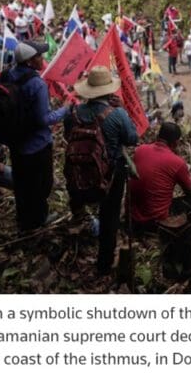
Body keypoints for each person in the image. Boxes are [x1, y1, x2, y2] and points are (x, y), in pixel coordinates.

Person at [63, 66, 139, 276]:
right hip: (111, 174)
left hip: (77, 171)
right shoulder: (117, 114)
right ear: (109, 91)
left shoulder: (74, 113)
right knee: (109, 216)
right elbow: (132, 139)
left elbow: (67, 136)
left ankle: (77, 244)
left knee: (80, 204)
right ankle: (104, 264)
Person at [4, 42, 69, 233]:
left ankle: (24, 221)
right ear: (30, 61)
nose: (43, 59)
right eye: (39, 56)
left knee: (22, 185)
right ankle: (39, 220)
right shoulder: (37, 84)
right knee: (41, 185)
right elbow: (44, 119)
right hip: (37, 145)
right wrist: (65, 109)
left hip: (16, 142)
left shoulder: (8, 75)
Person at [128, 121, 191, 230]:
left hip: (132, 218)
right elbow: (189, 191)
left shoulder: (140, 150)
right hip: (155, 223)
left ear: (158, 136)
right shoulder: (178, 163)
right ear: (176, 143)